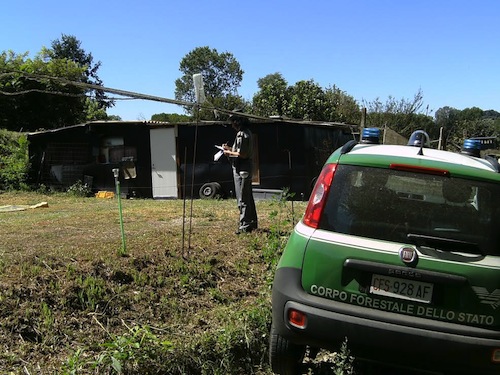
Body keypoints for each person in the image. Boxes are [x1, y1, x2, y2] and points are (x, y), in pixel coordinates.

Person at [222, 111, 258, 234]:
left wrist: (227, 153)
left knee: (242, 198)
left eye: (233, 122)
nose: (232, 125)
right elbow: (240, 150)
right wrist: (229, 149)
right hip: (246, 167)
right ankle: (252, 223)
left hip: (241, 168)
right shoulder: (247, 133)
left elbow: (242, 154)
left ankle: (244, 227)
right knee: (248, 197)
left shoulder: (241, 134)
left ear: (238, 122)